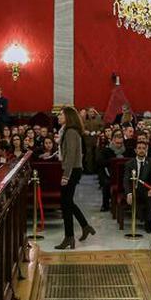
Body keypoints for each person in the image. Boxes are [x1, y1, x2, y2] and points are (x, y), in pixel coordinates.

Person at [55, 106, 95, 250]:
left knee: (66, 204)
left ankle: (69, 237)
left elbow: (71, 155)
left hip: (72, 171)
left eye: (61, 114)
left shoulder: (71, 132)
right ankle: (85, 227)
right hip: (72, 170)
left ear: (68, 116)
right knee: (67, 202)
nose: (58, 116)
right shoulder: (67, 131)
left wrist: (66, 176)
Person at [122, 140, 151, 232]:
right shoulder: (129, 163)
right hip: (134, 190)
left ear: (146, 150)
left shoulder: (150, 162)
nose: (141, 150)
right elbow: (126, 180)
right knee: (135, 202)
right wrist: (128, 193)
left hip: (146, 190)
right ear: (135, 150)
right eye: (139, 148)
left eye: (143, 148)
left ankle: (149, 224)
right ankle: (141, 216)